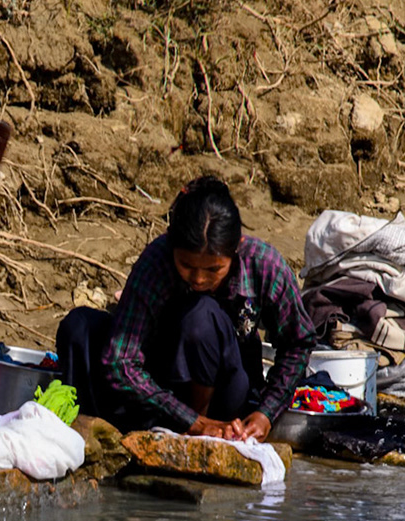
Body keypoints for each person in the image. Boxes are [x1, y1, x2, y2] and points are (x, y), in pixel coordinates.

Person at [57, 176, 317, 441]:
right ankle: (93, 434)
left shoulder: (263, 264)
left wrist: (266, 412)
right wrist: (190, 420)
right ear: (172, 247)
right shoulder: (156, 263)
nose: (199, 279)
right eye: (187, 266)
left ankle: (193, 432)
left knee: (201, 316)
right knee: (80, 326)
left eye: (213, 269)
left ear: (236, 248)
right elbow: (120, 361)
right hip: (160, 394)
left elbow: (298, 343)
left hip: (228, 397)